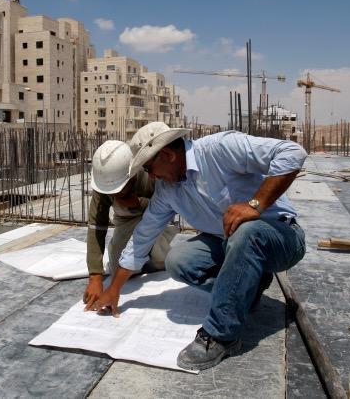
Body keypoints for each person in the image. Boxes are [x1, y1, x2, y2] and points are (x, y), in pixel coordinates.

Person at [92, 122, 307, 371]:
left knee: (246, 232)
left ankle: (222, 334)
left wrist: (255, 204)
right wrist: (115, 288)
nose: (150, 177)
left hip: (281, 237)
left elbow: (293, 153)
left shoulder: (220, 149)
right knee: (178, 261)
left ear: (168, 155)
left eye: (149, 168)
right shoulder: (167, 190)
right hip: (230, 243)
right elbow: (143, 235)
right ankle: (248, 288)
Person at [83, 139, 178, 310]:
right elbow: (96, 227)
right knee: (118, 267)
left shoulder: (150, 173)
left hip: (157, 219)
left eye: (120, 187)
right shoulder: (105, 182)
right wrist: (95, 278)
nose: (115, 193)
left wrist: (138, 203)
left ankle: (156, 256)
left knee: (160, 263)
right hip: (125, 221)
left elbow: (169, 208)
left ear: (132, 174)